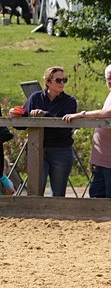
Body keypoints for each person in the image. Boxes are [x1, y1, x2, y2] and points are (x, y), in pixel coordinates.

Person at [65, 63, 111, 199]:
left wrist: (81, 114)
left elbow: (108, 113)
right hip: (103, 160)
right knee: (96, 197)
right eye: (108, 79)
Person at [17, 66, 79, 197]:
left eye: (64, 80)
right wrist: (16, 116)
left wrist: (44, 115)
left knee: (58, 193)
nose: (62, 83)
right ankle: (34, 216)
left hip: (61, 149)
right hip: (37, 148)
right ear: (48, 82)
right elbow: (21, 124)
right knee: (35, 190)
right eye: (58, 80)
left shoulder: (70, 101)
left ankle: (56, 217)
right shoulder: (35, 98)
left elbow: (65, 127)